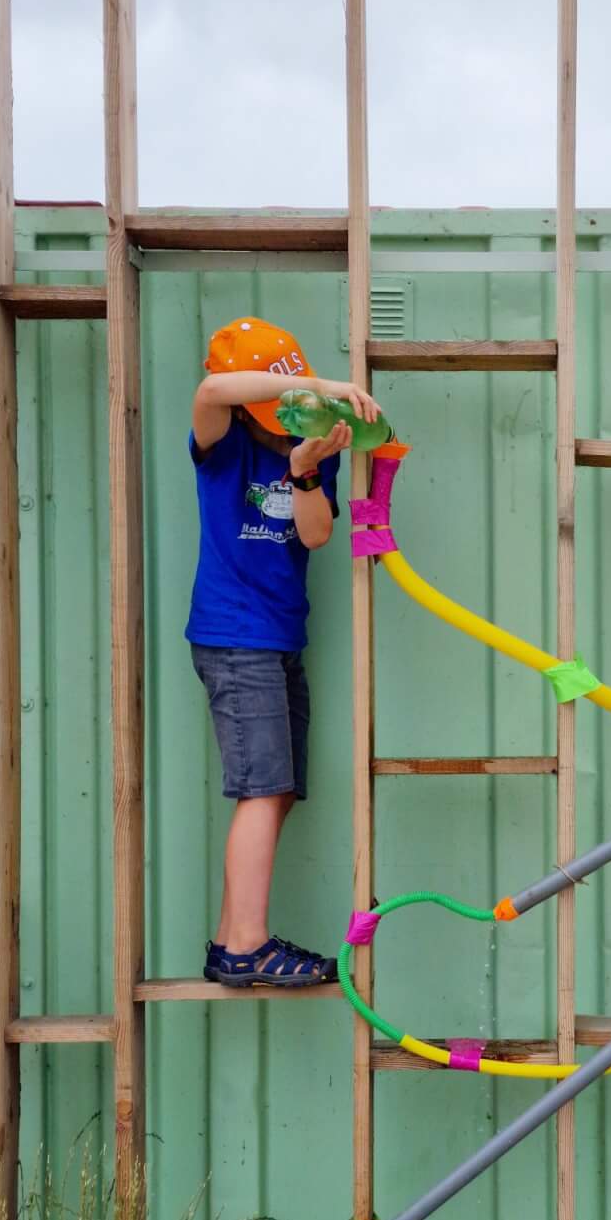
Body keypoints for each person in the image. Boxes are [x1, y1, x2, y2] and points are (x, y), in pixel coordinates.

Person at [186, 315, 379, 987]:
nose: (282, 418)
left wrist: (303, 473)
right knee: (262, 788)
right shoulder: (219, 443)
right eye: (272, 406)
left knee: (279, 790)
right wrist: (323, 382)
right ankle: (247, 945)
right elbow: (212, 390)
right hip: (235, 635)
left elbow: (319, 535)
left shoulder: (303, 451)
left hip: (277, 639)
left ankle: (227, 940)